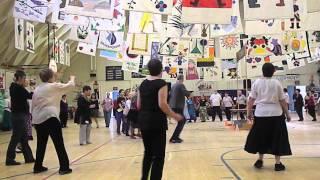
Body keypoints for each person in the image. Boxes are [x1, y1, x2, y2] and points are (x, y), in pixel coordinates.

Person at [137, 59, 183, 180]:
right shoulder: (161, 83)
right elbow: (162, 104)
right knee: (158, 156)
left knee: (148, 153)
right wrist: (174, 115)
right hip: (156, 122)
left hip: (143, 121)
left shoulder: (142, 84)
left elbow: (138, 105)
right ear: (161, 69)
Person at [245, 63, 292, 172]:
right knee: (277, 138)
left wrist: (248, 113)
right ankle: (277, 163)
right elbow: (282, 101)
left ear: (262, 71)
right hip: (276, 114)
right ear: (273, 72)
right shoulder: (277, 83)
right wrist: (288, 114)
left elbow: (251, 99)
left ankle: (260, 160)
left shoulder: (256, 83)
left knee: (261, 137)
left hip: (260, 114)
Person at [32, 68, 74, 175]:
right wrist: (72, 78)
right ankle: (64, 167)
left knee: (41, 144)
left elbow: (33, 105)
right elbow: (70, 86)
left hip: (38, 119)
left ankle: (38, 166)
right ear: (51, 77)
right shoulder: (53, 86)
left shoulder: (37, 89)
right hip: (50, 117)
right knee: (59, 143)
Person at [5, 70, 34, 166]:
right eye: (24, 78)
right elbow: (30, 96)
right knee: (16, 138)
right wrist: (33, 89)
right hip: (19, 116)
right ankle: (9, 159)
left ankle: (29, 158)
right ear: (20, 78)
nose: (25, 80)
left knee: (24, 137)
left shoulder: (14, 87)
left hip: (18, 115)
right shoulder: (18, 88)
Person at [169, 74, 191, 143]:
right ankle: (174, 138)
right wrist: (189, 94)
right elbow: (186, 93)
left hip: (173, 106)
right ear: (182, 79)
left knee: (181, 121)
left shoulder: (173, 85)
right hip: (178, 106)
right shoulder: (181, 85)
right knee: (182, 121)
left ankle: (175, 137)